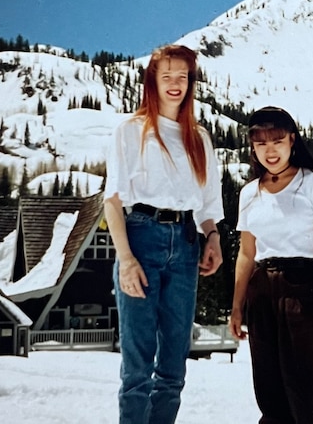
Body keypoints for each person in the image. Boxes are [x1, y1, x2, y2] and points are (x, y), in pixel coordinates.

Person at [103, 44, 224, 424]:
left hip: (186, 244)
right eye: (167, 76)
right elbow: (112, 201)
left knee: (173, 367)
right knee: (138, 367)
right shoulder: (130, 131)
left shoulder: (199, 138)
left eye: (182, 77)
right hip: (141, 238)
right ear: (152, 81)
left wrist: (213, 237)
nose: (175, 84)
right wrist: (125, 260)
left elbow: (207, 203)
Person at [229, 106, 313, 424]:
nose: (270, 150)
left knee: (308, 387)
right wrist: (238, 307)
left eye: (277, 140)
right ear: (253, 147)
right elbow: (246, 254)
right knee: (269, 387)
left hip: (303, 287)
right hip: (261, 291)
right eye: (261, 143)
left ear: (292, 140)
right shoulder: (249, 193)